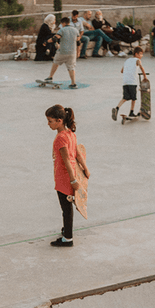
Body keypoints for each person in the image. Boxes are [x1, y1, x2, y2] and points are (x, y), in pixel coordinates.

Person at [46, 104, 89, 247]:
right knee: (67, 207)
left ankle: (68, 238)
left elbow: (67, 161)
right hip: (69, 176)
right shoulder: (71, 134)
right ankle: (67, 230)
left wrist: (73, 180)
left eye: (50, 121)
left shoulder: (60, 139)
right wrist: (85, 168)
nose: (48, 124)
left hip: (65, 178)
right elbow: (77, 154)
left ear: (59, 121)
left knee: (66, 209)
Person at [111, 47, 148, 121]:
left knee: (125, 98)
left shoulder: (127, 60)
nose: (141, 56)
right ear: (136, 54)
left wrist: (130, 70)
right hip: (132, 82)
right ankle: (131, 112)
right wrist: (145, 77)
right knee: (133, 98)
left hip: (125, 82)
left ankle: (117, 108)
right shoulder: (138, 60)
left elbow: (122, 71)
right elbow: (142, 68)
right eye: (140, 54)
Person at [42, 17, 79, 89]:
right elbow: (78, 41)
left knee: (56, 62)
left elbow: (55, 38)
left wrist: (46, 42)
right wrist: (78, 52)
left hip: (62, 51)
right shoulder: (75, 30)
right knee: (71, 67)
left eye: (61, 24)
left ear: (63, 23)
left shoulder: (62, 30)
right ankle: (73, 83)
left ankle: (50, 77)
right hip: (72, 52)